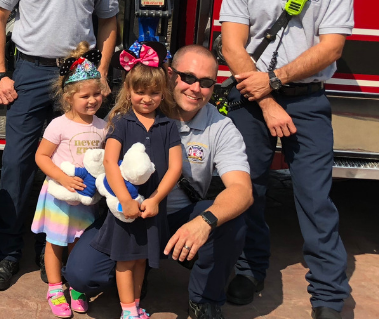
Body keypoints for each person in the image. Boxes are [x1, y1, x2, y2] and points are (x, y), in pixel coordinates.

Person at [220, 0, 354, 319]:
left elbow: (331, 48)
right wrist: (267, 100)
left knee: (315, 199)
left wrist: (274, 81)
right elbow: (232, 46)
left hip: (307, 101)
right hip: (254, 101)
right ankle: (248, 269)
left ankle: (329, 297)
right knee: (247, 190)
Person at [0, 0, 119, 291]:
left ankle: (57, 255)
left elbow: (109, 21)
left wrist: (100, 73)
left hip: (77, 74)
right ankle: (7, 254)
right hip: (29, 70)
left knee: (78, 163)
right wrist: (0, 73)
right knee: (19, 165)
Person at [63, 44, 255, 319]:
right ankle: (137, 273)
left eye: (206, 82)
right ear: (169, 74)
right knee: (82, 275)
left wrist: (204, 223)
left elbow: (242, 190)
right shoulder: (127, 117)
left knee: (230, 218)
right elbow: (101, 161)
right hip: (127, 214)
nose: (195, 88)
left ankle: (205, 300)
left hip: (179, 218)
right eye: (187, 77)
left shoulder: (221, 127)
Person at [97, 42, 183, 319]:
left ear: (163, 93)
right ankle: (127, 310)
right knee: (124, 259)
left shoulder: (169, 126)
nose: (146, 99)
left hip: (152, 208)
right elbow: (110, 161)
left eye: (154, 93)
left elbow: (175, 168)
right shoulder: (122, 122)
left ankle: (135, 304)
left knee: (141, 258)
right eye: (140, 92)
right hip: (125, 207)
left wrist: (156, 199)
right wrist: (124, 199)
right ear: (129, 91)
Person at [31, 42, 108, 317]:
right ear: (68, 98)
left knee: (78, 241)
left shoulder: (103, 126)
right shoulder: (58, 125)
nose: (92, 100)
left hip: (86, 199)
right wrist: (62, 178)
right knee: (55, 242)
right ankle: (54, 287)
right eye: (85, 96)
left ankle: (75, 285)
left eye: (97, 94)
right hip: (59, 196)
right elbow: (42, 157)